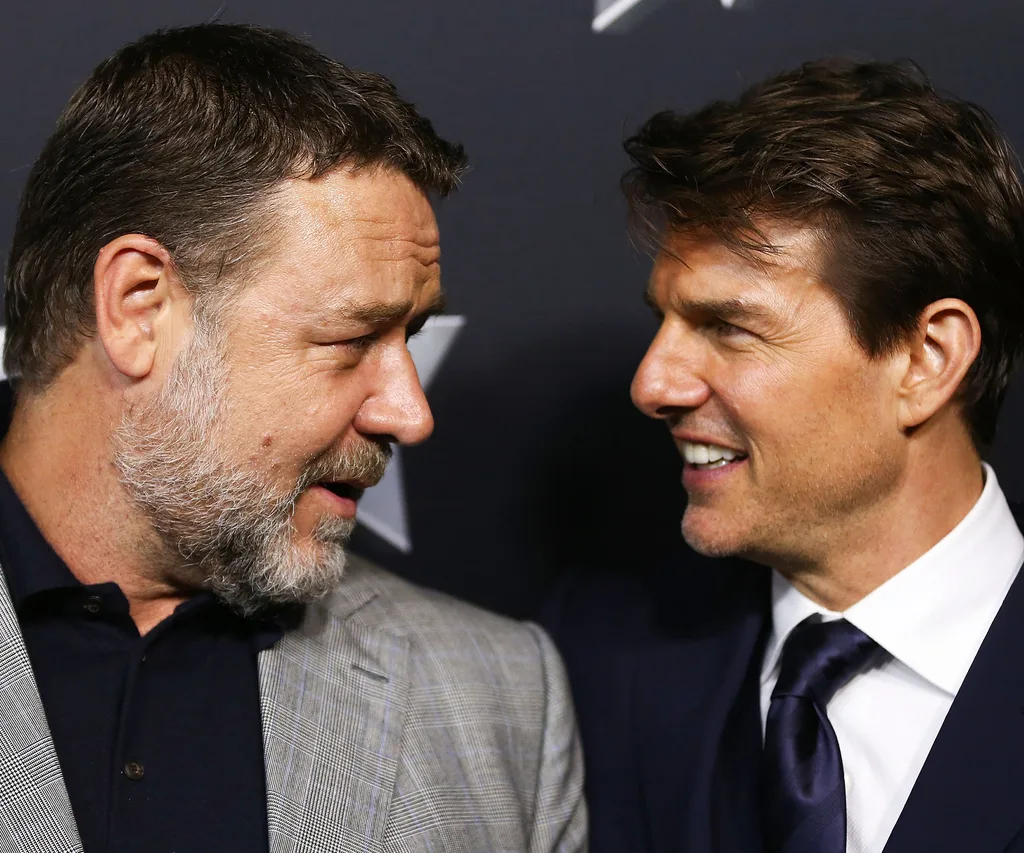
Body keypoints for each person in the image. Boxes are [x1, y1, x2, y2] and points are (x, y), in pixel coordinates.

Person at [0, 23, 585, 853]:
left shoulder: (499, 694)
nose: (410, 413)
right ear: (139, 306)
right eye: (351, 338)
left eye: (410, 337)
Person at [543, 58, 1024, 853]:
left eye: (729, 327)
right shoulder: (591, 652)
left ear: (927, 359)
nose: (652, 383)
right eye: (664, 322)